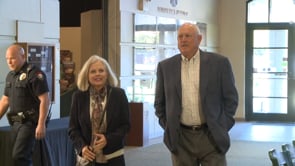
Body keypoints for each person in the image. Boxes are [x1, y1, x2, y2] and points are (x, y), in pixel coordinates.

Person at [154, 22, 239, 166]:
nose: (183, 40)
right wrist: (169, 126)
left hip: (211, 136)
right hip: (181, 138)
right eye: (180, 36)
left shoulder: (219, 63)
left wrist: (221, 126)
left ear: (199, 39)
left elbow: (231, 99)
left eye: (188, 36)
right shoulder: (165, 67)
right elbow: (159, 103)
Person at [68, 55, 130, 166]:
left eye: (101, 70)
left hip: (113, 156)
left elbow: (126, 126)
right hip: (87, 158)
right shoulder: (78, 96)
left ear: (107, 74)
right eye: (93, 71)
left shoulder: (118, 95)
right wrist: (82, 147)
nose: (97, 74)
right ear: (87, 75)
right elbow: (73, 129)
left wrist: (108, 139)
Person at [0, 44, 50, 166]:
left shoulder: (34, 74)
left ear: (23, 56)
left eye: (12, 58)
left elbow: (45, 99)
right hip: (16, 122)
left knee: (20, 155)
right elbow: (5, 101)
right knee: (14, 157)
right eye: (7, 59)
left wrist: (41, 124)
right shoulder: (10, 76)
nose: (9, 61)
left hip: (30, 122)